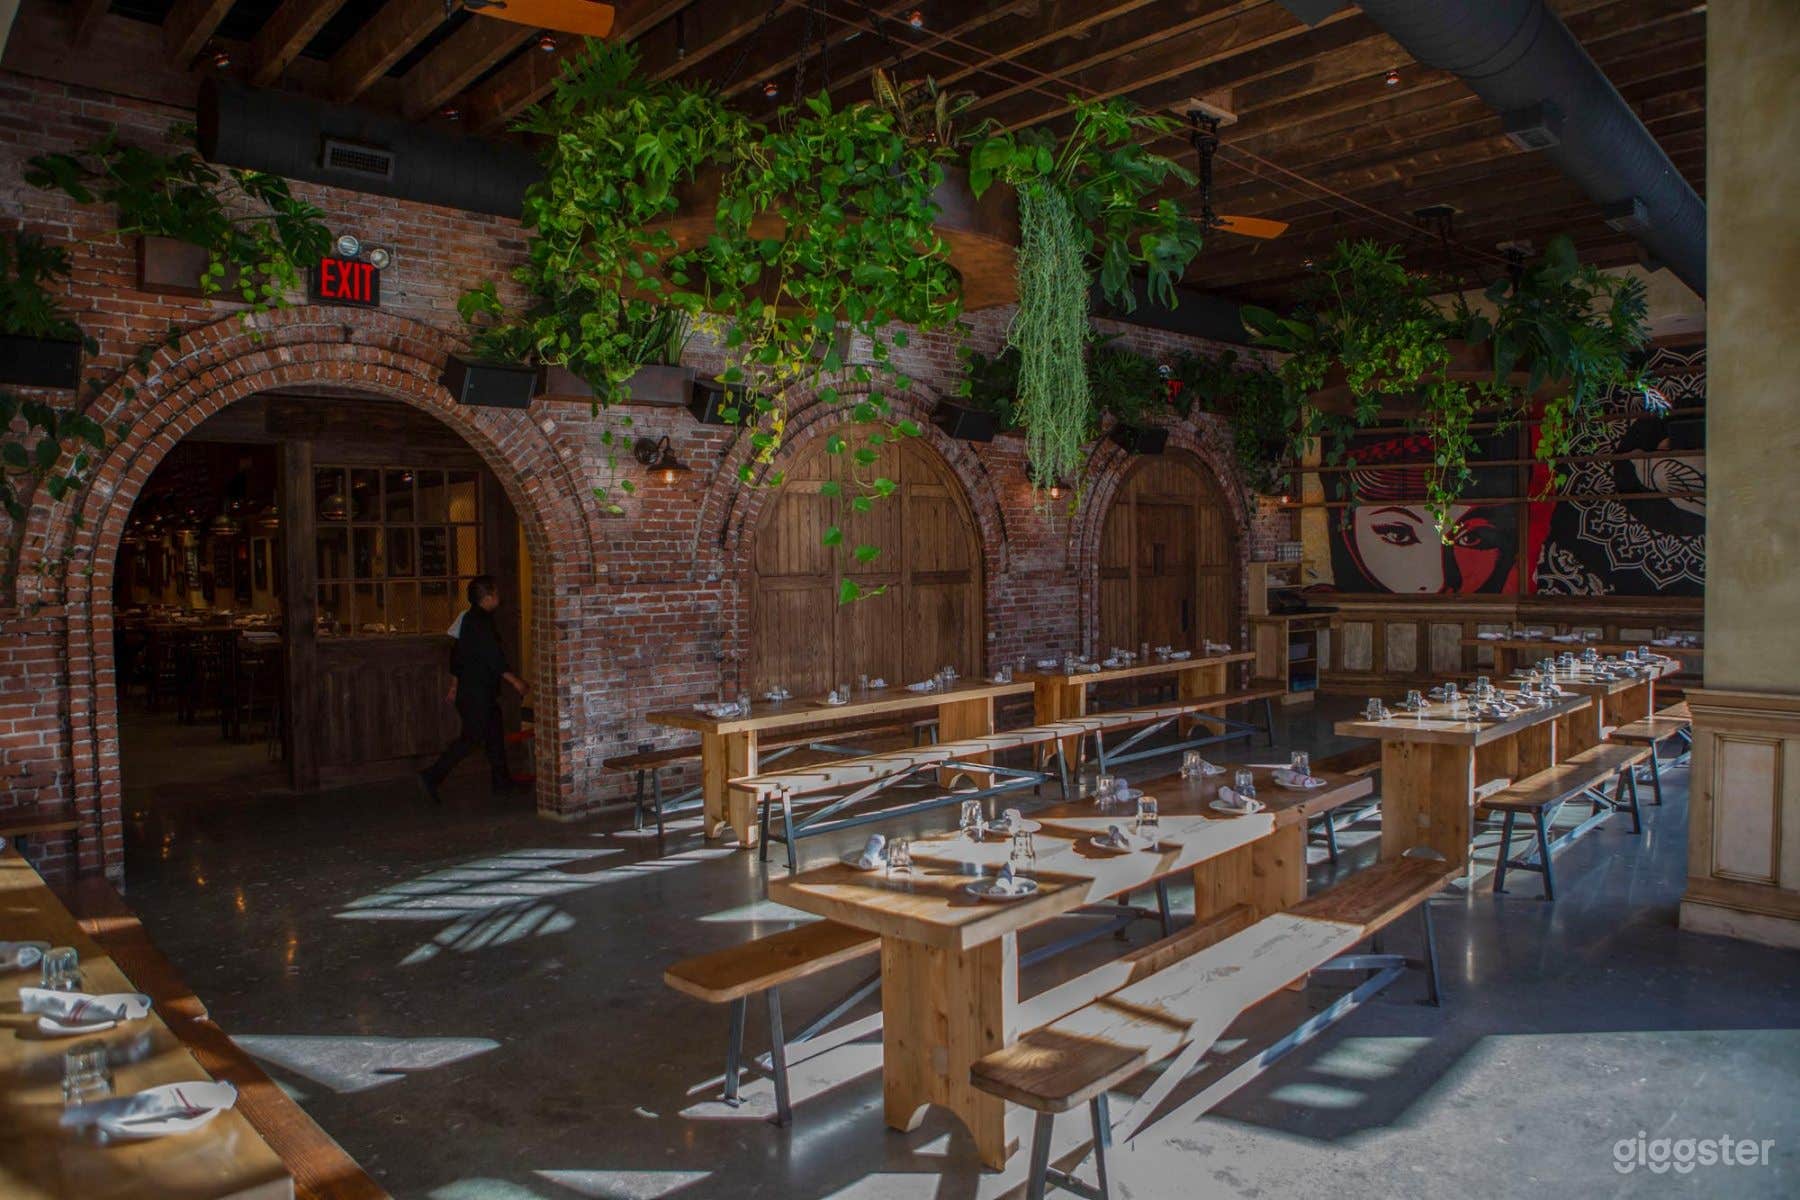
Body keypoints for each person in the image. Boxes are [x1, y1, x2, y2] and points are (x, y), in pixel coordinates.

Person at [419, 576, 528, 800]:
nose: (499, 596)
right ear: (487, 598)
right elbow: (492, 656)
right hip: (476, 692)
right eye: (496, 593)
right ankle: (431, 775)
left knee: (494, 734)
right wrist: (515, 681)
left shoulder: (467, 619)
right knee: (471, 738)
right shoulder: (482, 622)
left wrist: (454, 685)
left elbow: (457, 656)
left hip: (475, 691)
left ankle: (502, 781)